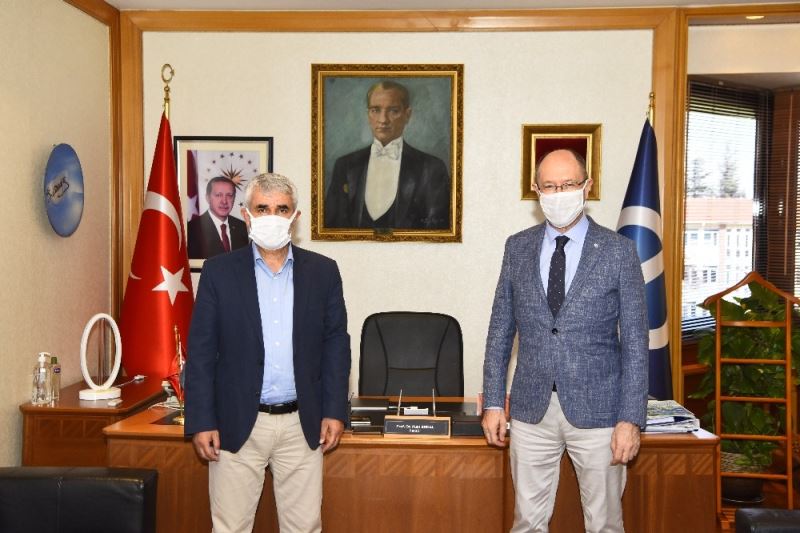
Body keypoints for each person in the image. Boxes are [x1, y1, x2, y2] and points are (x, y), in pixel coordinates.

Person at [481, 149, 648, 533]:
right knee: (527, 523)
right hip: (530, 410)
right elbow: (500, 330)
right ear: (536, 190)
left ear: (587, 186)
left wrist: (630, 418)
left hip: (601, 412)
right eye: (550, 186)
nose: (559, 194)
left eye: (569, 184)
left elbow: (636, 343)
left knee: (604, 524)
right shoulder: (517, 247)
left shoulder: (618, 250)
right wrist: (493, 402)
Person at [185, 173, 351, 533]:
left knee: (304, 527)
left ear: (295, 217)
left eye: (282, 209)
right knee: (229, 527)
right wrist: (201, 420)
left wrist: (334, 410)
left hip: (302, 423)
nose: (272, 216)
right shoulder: (218, 272)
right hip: (236, 421)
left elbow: (336, 343)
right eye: (262, 208)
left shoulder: (323, 272)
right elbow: (200, 351)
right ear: (246, 216)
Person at [325, 80, 451, 230]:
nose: (383, 120)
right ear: (368, 115)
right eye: (375, 110)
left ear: (407, 115)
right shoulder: (345, 166)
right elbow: (331, 226)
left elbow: (438, 230)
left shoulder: (432, 168)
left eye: (393, 111)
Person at [187, 176, 249, 259]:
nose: (224, 201)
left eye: (229, 195)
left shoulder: (243, 228)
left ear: (234, 198)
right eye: (218, 195)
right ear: (208, 198)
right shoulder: (191, 230)